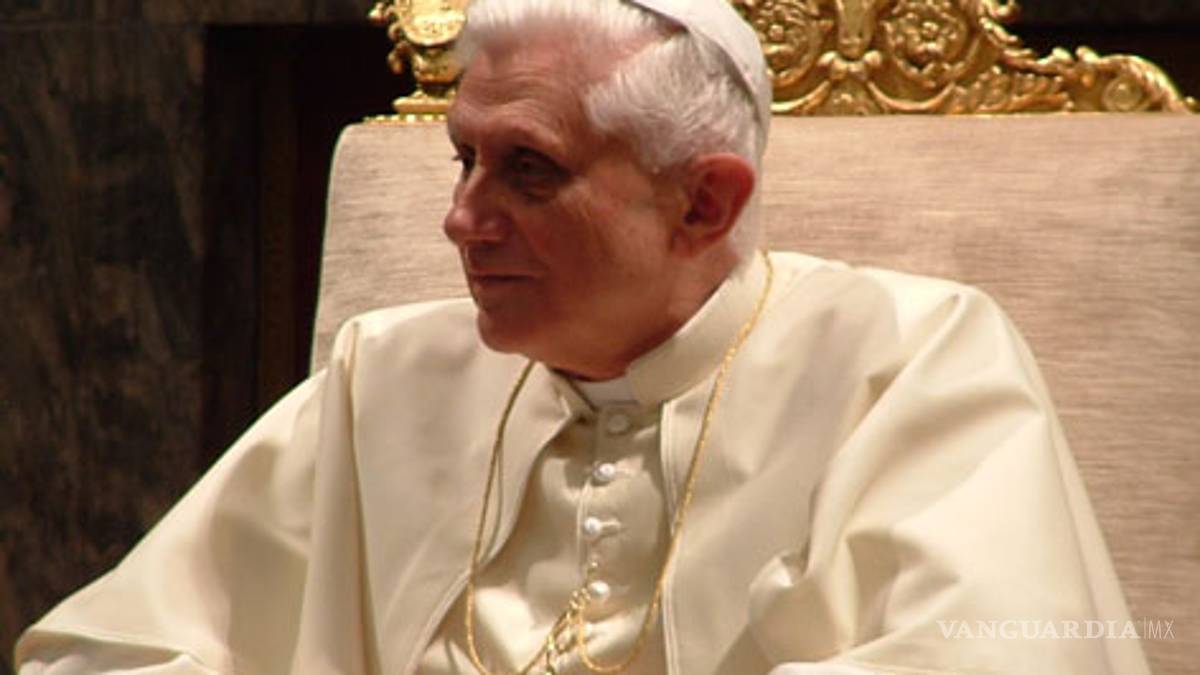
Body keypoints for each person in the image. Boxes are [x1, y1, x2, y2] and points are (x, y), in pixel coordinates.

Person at [16, 0, 1150, 673]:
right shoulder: (384, 375)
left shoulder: (912, 359)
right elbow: (106, 650)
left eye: (528, 170)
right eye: (463, 158)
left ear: (703, 203)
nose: (460, 219)